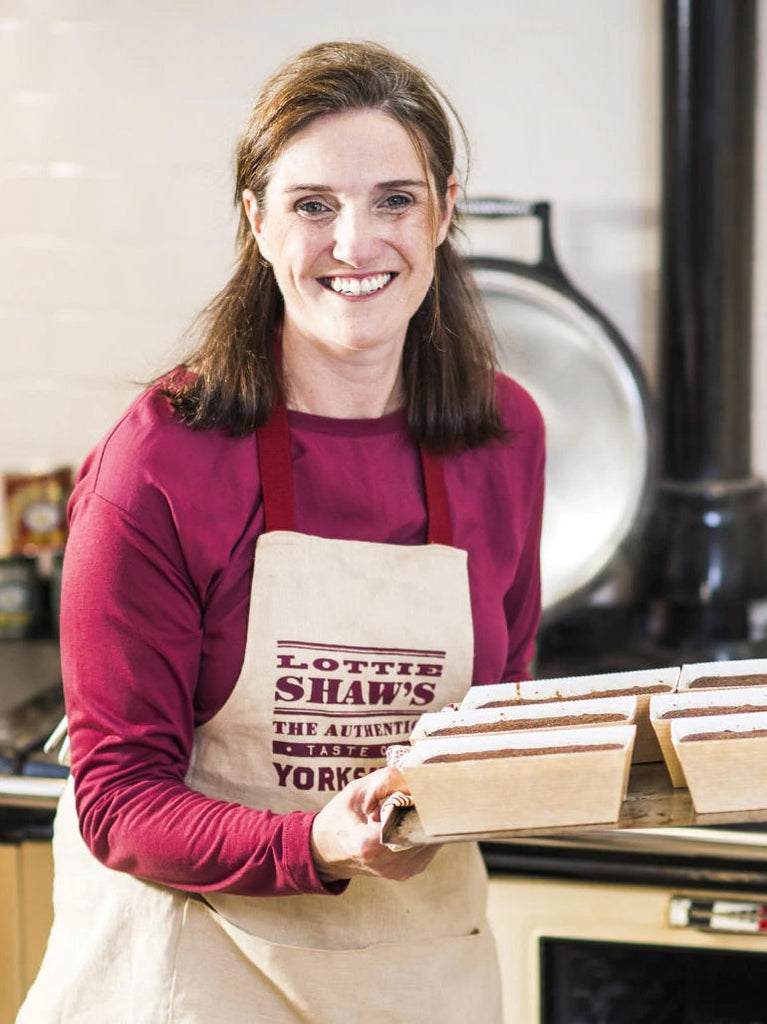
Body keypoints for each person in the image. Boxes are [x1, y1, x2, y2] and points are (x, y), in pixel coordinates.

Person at [19, 39, 544, 1024]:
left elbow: (496, 717)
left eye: (393, 199)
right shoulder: (164, 456)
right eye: (313, 205)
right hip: (187, 965)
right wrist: (317, 843)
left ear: (445, 208)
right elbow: (119, 799)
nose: (355, 242)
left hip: (411, 969)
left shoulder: (504, 433)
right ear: (256, 221)